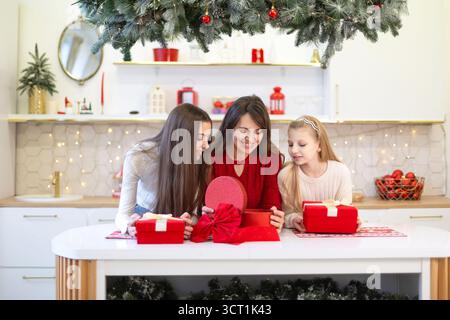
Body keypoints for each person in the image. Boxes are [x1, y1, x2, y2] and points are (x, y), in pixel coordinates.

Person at [115, 104, 212, 239]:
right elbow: (123, 214)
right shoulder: (139, 157)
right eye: (200, 137)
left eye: (207, 139)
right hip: (145, 219)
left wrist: (188, 223)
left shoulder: (200, 159)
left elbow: (195, 213)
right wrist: (128, 226)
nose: (206, 146)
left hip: (178, 221)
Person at [203, 95, 285, 232]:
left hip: (256, 234)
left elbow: (271, 206)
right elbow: (205, 205)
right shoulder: (211, 157)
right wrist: (204, 214)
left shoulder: (271, 160)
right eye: (243, 131)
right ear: (230, 129)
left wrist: (276, 219)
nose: (251, 139)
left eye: (258, 132)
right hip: (218, 236)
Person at [278, 115, 360, 232]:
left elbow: (345, 210)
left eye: (302, 144)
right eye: (291, 144)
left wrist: (352, 220)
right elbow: (286, 215)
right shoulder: (286, 175)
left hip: (335, 241)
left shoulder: (340, 172)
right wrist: (294, 219)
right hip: (300, 242)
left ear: (319, 145)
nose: (293, 150)